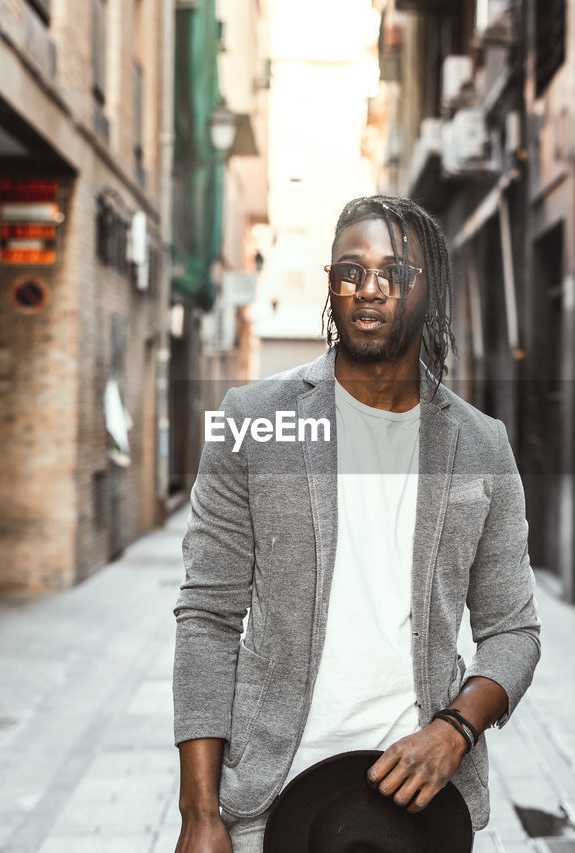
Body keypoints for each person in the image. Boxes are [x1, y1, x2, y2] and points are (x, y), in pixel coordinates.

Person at [173, 195, 541, 852]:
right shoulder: (255, 421)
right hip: (270, 791)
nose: (368, 289)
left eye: (394, 273)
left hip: (420, 797)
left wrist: (455, 729)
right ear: (331, 284)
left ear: (431, 294)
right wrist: (199, 813)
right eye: (351, 270)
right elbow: (207, 615)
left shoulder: (480, 444)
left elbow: (513, 632)